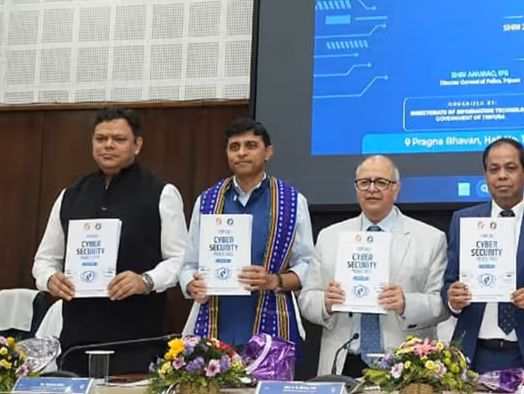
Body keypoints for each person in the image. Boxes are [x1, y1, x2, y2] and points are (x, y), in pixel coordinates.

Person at [31, 108, 188, 375]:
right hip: (77, 340)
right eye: (101, 138)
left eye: (118, 139)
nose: (108, 146)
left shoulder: (161, 193)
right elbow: (44, 260)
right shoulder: (69, 195)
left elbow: (180, 260)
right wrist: (49, 280)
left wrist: (146, 280)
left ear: (137, 144)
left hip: (136, 339)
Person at [299, 156, 446, 376]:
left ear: (396, 189)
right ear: (356, 188)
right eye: (364, 182)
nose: (372, 189)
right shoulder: (330, 237)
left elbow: (442, 305)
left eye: (381, 182)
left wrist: (407, 303)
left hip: (403, 363)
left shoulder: (430, 238)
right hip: (342, 360)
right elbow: (306, 298)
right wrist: (326, 303)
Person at [444, 138, 524, 382]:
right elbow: (448, 281)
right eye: (494, 169)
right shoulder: (463, 221)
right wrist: (452, 298)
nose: (501, 175)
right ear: (485, 175)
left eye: (510, 168)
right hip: (474, 354)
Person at [179, 118, 315, 350]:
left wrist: (274, 280)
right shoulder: (207, 201)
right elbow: (188, 264)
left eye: (251, 145)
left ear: (268, 153)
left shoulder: (292, 201)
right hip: (215, 324)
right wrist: (192, 286)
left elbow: (308, 264)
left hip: (272, 321)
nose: (241, 153)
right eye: (234, 147)